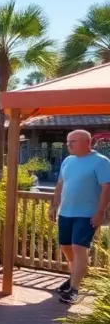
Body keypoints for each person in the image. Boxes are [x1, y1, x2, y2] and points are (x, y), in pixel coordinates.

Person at [48, 130, 110, 304]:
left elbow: (107, 188)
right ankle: (74, 276)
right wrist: (54, 206)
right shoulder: (67, 161)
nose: (68, 145)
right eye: (67, 142)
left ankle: (74, 289)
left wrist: (100, 212)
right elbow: (60, 184)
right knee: (66, 248)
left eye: (72, 142)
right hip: (65, 213)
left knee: (78, 248)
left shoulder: (101, 162)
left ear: (86, 142)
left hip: (86, 215)